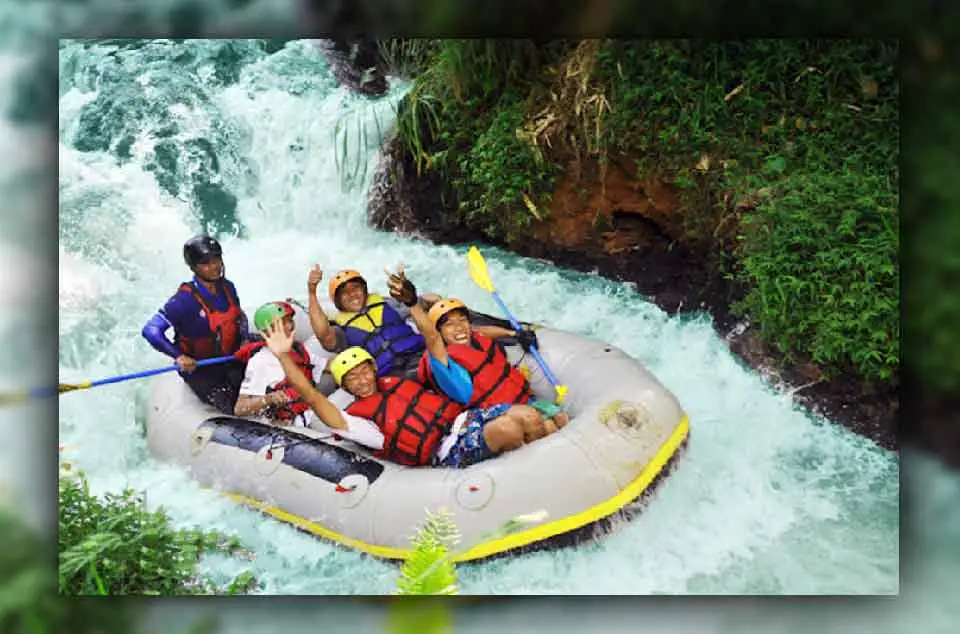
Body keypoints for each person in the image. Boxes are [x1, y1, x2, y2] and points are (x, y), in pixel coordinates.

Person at [258, 301, 559, 469]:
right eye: (352, 378)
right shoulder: (358, 421)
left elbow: (441, 344)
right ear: (345, 387)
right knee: (510, 428)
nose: (362, 380)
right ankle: (539, 476)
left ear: (374, 371)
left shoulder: (397, 383)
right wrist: (283, 355)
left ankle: (551, 472)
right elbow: (311, 396)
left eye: (364, 372)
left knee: (537, 419)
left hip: (465, 421)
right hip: (446, 449)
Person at [387, 267, 570, 433]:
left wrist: (514, 334)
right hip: (489, 416)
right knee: (537, 422)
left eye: (462, 320)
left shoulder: (473, 337)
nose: (458, 327)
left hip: (519, 399)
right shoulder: (442, 360)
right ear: (440, 332)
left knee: (559, 419)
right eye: (449, 324)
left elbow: (481, 331)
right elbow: (431, 337)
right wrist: (412, 303)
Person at [141, 235, 250, 414]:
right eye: (206, 263)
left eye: (217, 259)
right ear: (194, 267)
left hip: (231, 358)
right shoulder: (184, 300)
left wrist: (245, 339)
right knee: (231, 406)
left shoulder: (228, 287)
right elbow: (151, 330)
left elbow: (240, 317)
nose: (215, 266)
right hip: (201, 368)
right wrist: (178, 356)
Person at [307, 267, 428, 380]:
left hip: (420, 355)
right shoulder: (341, 330)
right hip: (389, 375)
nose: (352, 294)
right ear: (337, 301)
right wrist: (312, 292)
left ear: (364, 290)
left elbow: (423, 302)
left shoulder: (388, 304)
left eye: (355, 288)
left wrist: (409, 291)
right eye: (344, 293)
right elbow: (323, 335)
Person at [232, 299, 337, 426]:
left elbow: (328, 365)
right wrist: (269, 399)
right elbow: (240, 408)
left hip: (310, 411)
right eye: (282, 323)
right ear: (267, 331)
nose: (290, 326)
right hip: (289, 424)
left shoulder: (297, 349)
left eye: (290, 320)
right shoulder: (260, 361)